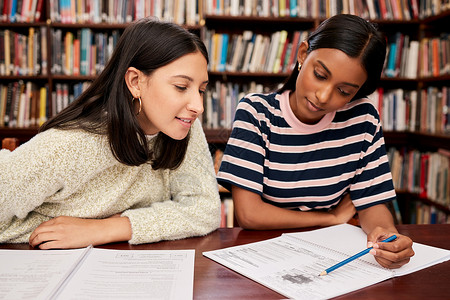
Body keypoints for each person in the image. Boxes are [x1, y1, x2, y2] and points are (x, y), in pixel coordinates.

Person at [0, 18, 221, 249]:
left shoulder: (183, 125)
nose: (198, 106)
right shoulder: (70, 144)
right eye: (181, 87)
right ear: (135, 82)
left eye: (201, 90)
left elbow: (205, 209)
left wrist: (106, 228)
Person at [217, 14, 414, 269]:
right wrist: (330, 218)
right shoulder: (256, 112)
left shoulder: (362, 118)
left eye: (344, 91)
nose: (322, 96)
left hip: (329, 251)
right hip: (263, 254)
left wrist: (385, 235)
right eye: (320, 75)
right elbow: (249, 214)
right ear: (302, 54)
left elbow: (371, 203)